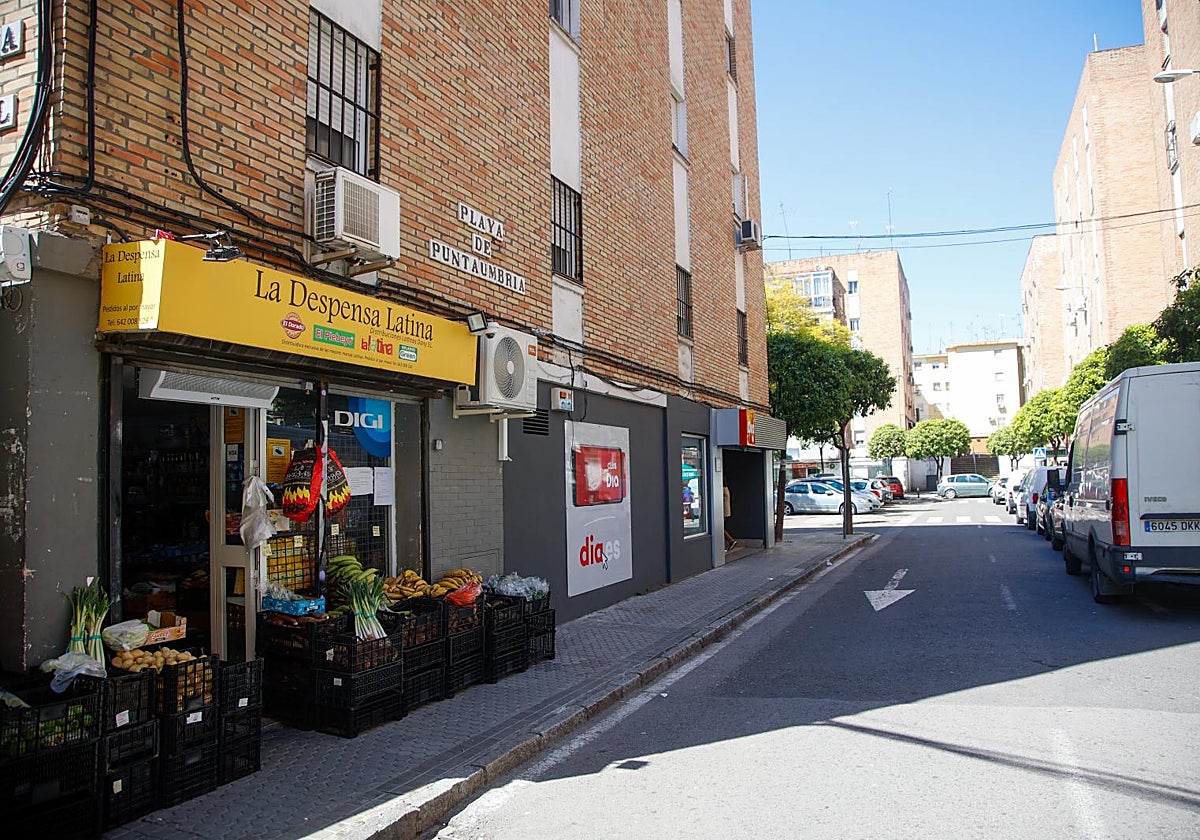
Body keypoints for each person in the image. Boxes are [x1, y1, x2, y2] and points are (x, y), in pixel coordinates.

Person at [723, 484, 736, 550]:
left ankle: (731, 540)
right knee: (722, 527)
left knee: (721, 529)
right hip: (727, 512)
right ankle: (727, 543)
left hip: (724, 512)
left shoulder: (723, 490)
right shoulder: (727, 489)